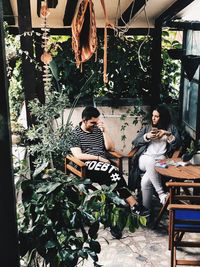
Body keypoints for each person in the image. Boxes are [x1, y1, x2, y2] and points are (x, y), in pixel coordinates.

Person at [69, 106, 150, 237]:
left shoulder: (97, 130)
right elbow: (78, 155)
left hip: (103, 168)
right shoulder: (74, 134)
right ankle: (133, 204)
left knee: (111, 187)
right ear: (84, 120)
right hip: (87, 166)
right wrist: (98, 158)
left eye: (97, 122)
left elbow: (110, 147)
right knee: (113, 172)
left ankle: (115, 225)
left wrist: (105, 131)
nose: (95, 125)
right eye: (92, 122)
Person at [129, 104, 181, 210]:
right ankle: (162, 194)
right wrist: (146, 136)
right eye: (153, 115)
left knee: (145, 181)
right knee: (150, 161)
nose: (153, 118)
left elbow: (177, 145)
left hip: (162, 161)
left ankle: (146, 212)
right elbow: (135, 142)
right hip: (145, 159)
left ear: (162, 117)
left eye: (156, 116)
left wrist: (168, 134)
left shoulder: (171, 128)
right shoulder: (148, 127)